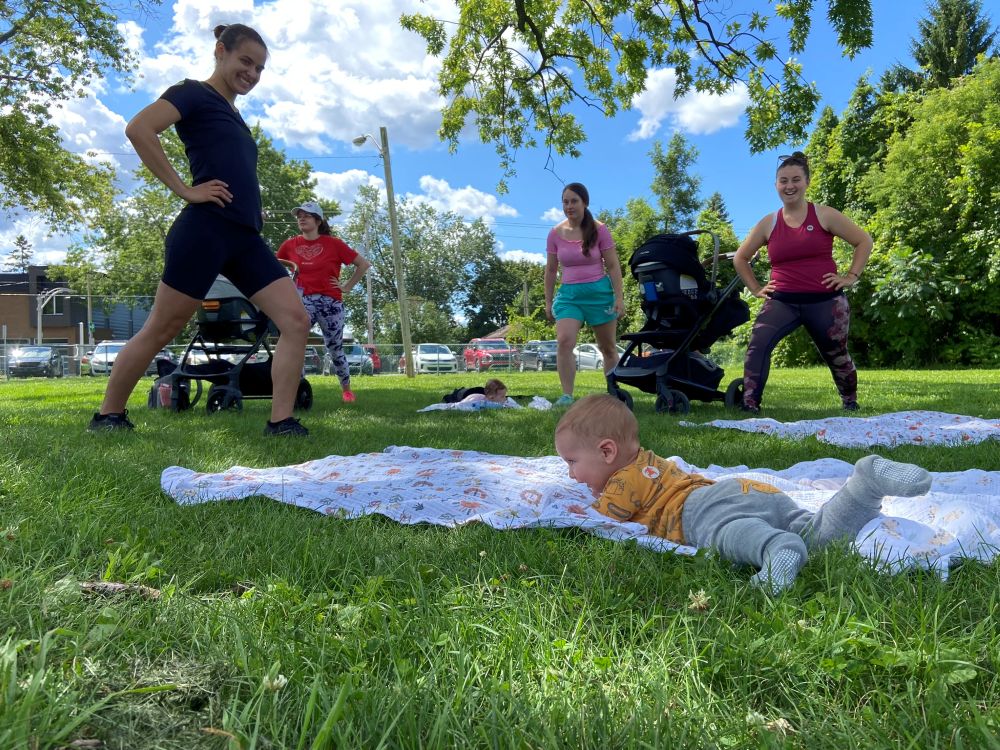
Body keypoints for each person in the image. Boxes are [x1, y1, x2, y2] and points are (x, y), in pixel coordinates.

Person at [87, 23, 312, 437]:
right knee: (163, 327)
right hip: (205, 230)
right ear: (221, 51)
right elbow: (139, 129)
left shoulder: (234, 114)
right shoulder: (193, 92)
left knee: (296, 319)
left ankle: (281, 421)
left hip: (243, 237)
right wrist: (185, 190)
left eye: (260, 68)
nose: (252, 73)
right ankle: (109, 416)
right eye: (246, 61)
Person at [554, 395, 932, 594]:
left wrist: (581, 505)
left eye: (573, 462)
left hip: (700, 509)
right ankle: (862, 488)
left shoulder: (621, 482)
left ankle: (774, 549)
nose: (572, 475)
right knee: (814, 534)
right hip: (751, 491)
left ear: (607, 452)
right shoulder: (649, 461)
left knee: (728, 534)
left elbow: (599, 520)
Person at [732, 151, 873, 414]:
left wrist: (851, 276)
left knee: (837, 354)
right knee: (758, 345)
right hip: (782, 301)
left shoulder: (824, 215)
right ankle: (749, 403)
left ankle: (850, 401)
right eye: (783, 181)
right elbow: (740, 258)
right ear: (776, 185)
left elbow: (864, 241)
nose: (789, 186)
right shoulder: (768, 222)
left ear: (807, 182)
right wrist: (755, 288)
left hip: (825, 301)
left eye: (796, 179)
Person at [277, 202, 371, 403]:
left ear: (318, 221)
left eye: (307, 216)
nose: (302, 218)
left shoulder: (334, 244)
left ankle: (346, 390)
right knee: (296, 343)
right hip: (303, 302)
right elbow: (275, 266)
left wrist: (346, 286)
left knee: (334, 347)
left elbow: (363, 264)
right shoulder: (289, 245)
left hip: (330, 302)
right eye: (299, 215)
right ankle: (297, 389)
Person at [544, 182, 625, 407]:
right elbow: (551, 270)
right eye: (565, 202)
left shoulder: (600, 229)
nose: (569, 206)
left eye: (574, 201)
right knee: (564, 341)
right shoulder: (555, 233)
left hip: (599, 293)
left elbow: (613, 266)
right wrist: (548, 301)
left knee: (607, 347)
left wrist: (619, 297)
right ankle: (567, 395)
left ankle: (613, 393)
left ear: (585, 203)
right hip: (569, 296)